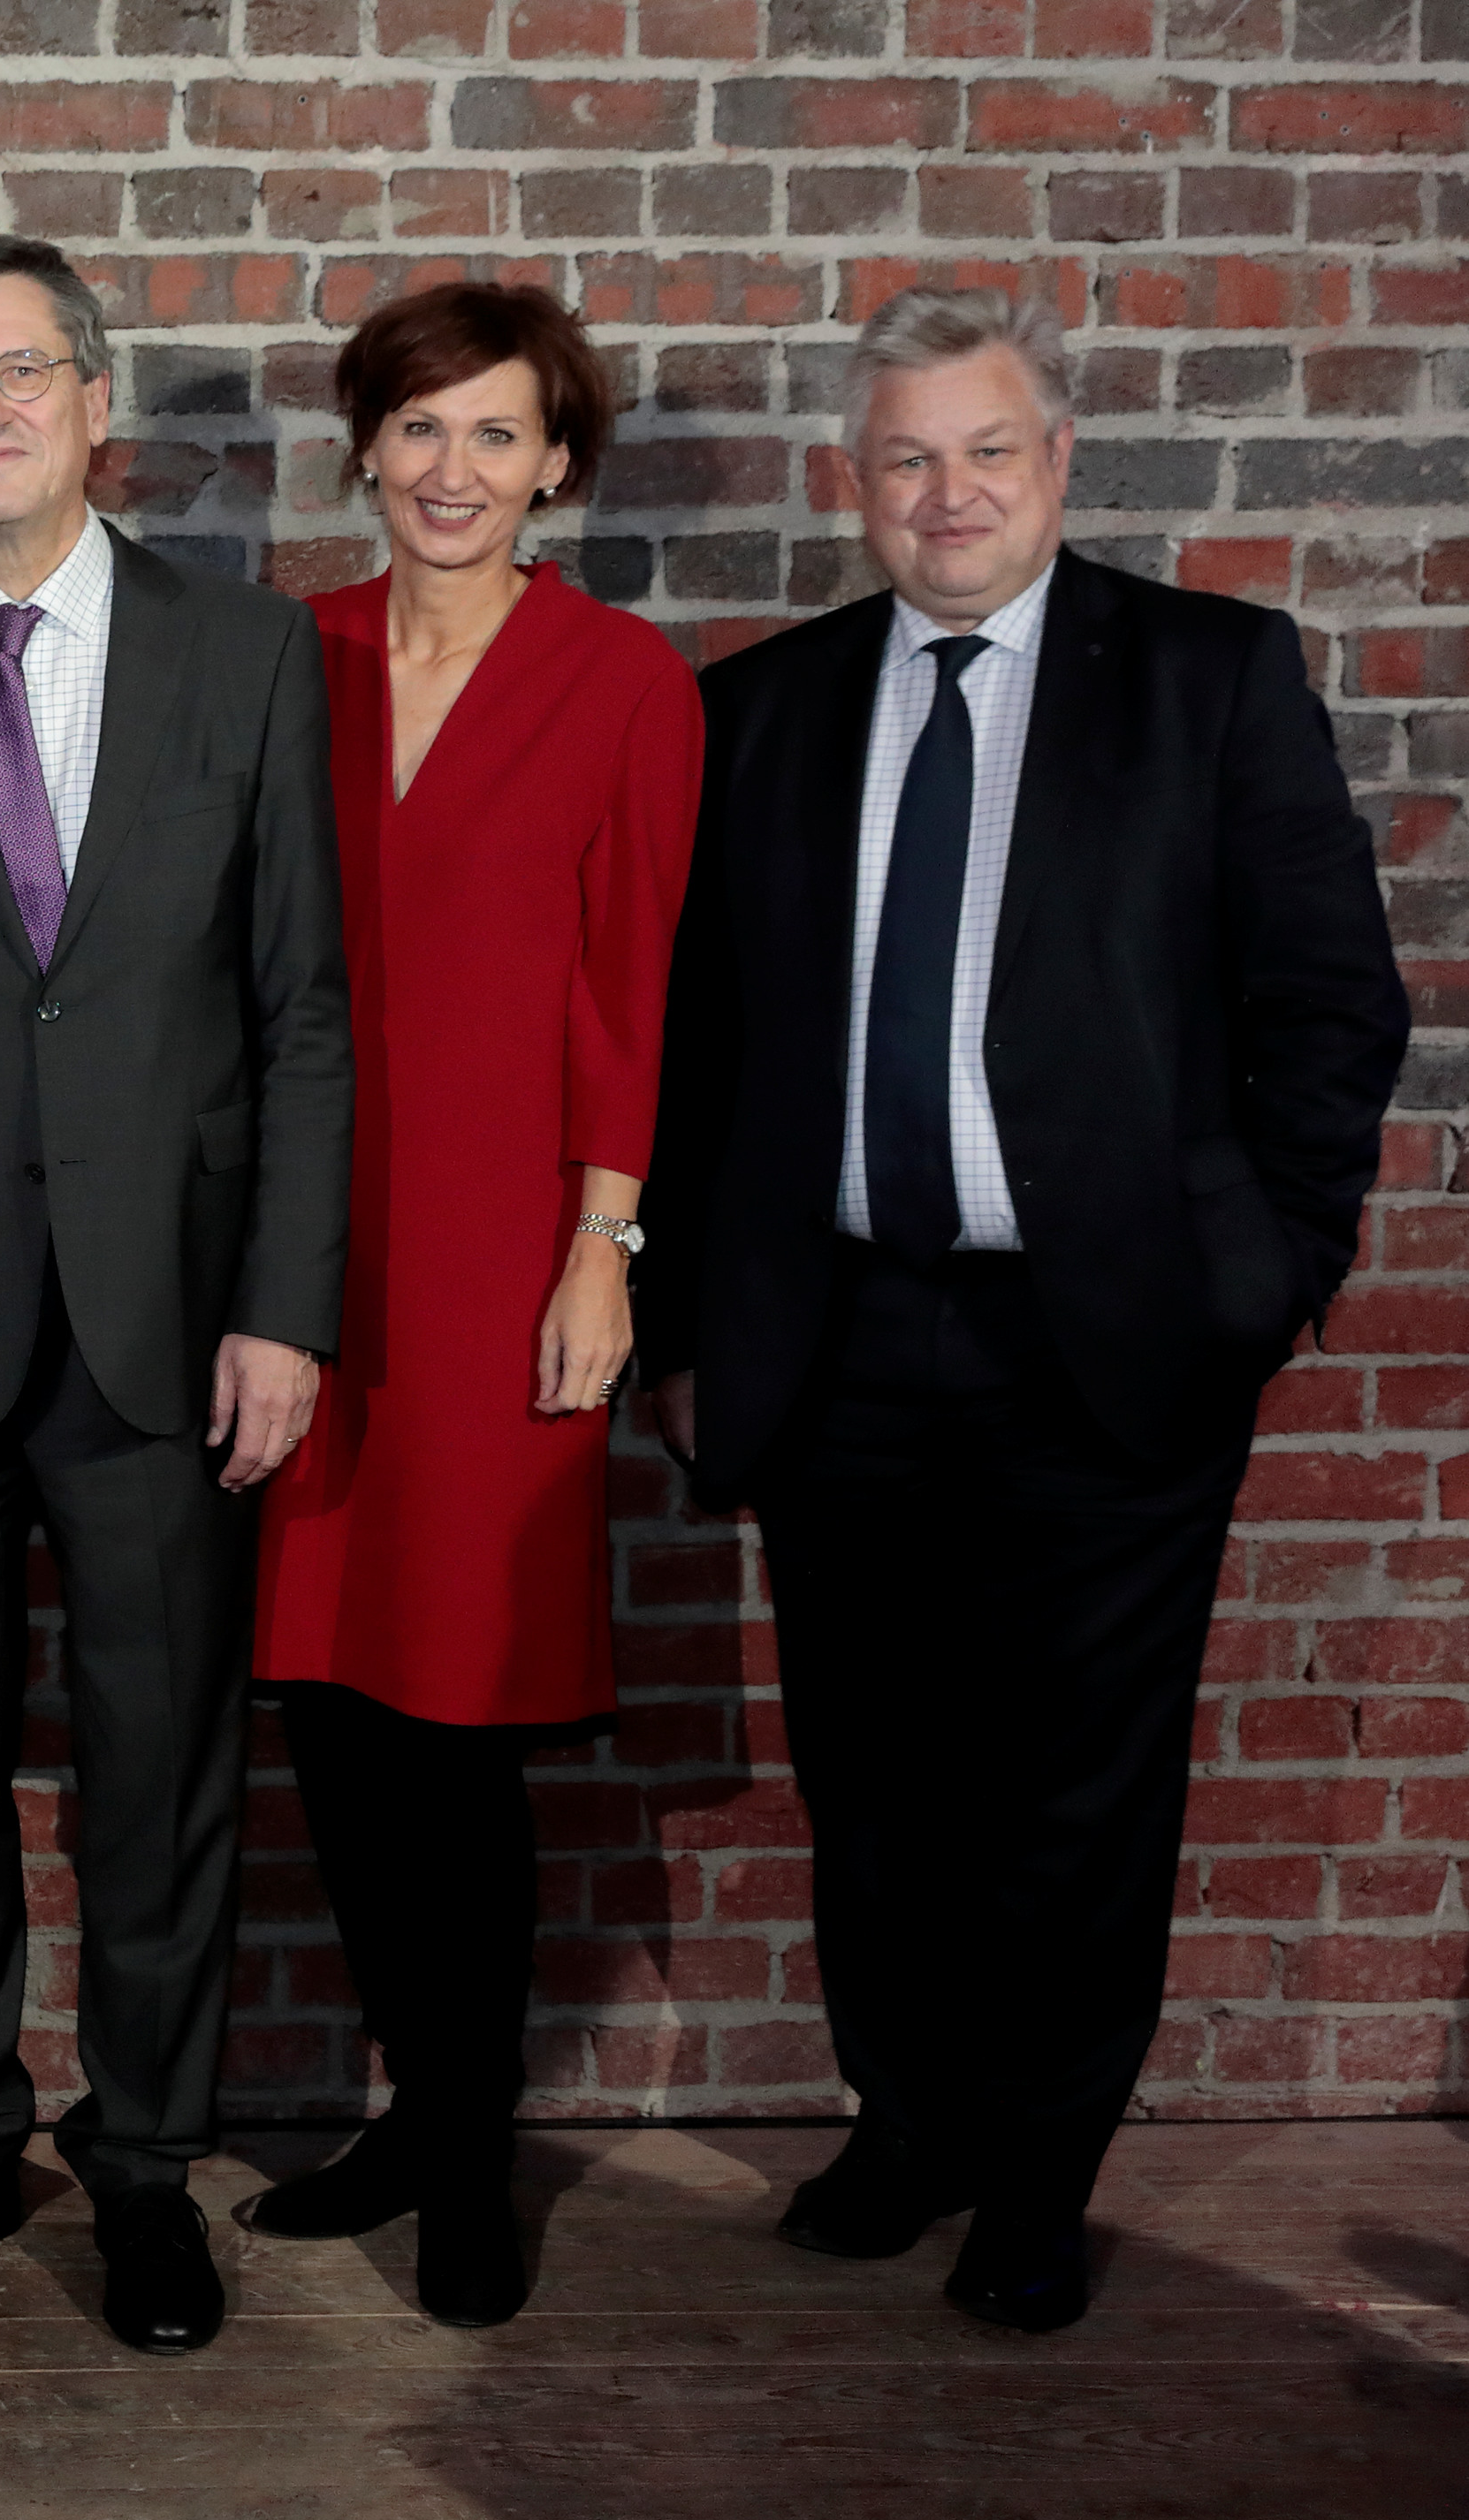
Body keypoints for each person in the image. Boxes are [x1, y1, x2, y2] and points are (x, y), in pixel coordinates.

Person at [641, 285, 1405, 2333]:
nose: (949, 493)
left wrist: (1261, 1279)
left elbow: (1331, 1008)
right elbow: (700, 1056)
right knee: (875, 1777)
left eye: (988, 451)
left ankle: (1042, 2175)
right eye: (908, 458)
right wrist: (690, 1325)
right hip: (838, 1335)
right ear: (855, 483)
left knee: (1079, 1788)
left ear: (1058, 463)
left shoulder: (1210, 680)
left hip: (1110, 1344)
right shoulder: (763, 711)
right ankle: (910, 2126)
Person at [0, 236, 349, 2359]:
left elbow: (303, 1010)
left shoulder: (244, 656)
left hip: (163, 1326)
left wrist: (285, 1308)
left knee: (159, 1778)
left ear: (97, 405)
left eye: (20, 370)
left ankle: (147, 2169)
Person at [238, 281, 703, 2327]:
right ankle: (416, 2115)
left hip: (509, 1258)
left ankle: (471, 2150)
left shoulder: (623, 682)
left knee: (460, 1727)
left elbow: (638, 982)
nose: (452, 469)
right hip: (301, 1263)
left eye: (496, 434)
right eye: (419, 428)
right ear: (367, 447)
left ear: (557, 466)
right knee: (336, 1714)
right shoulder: (293, 655)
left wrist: (609, 1243)